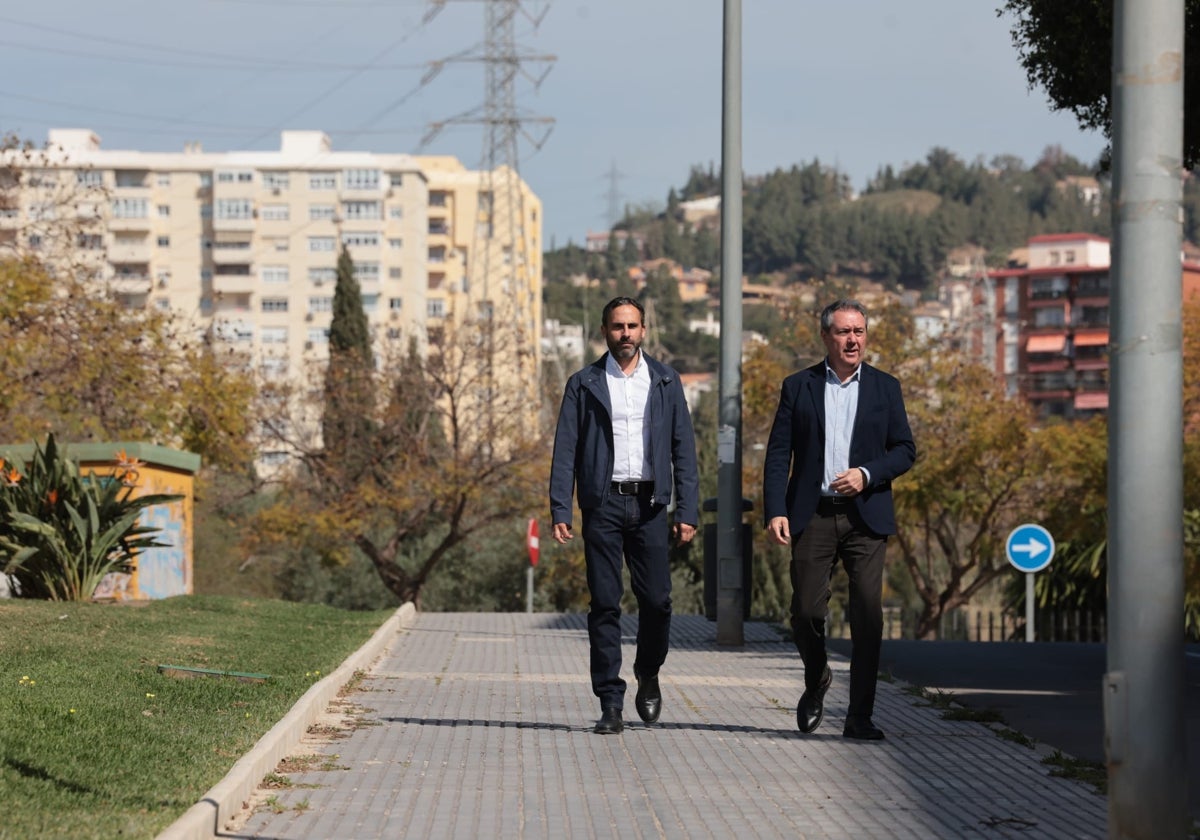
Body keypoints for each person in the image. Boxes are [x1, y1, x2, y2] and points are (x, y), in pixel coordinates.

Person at [762, 299, 916, 741]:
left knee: (868, 616)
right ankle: (817, 678)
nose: (854, 340)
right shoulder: (799, 386)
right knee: (806, 611)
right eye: (845, 332)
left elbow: (904, 450)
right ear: (826, 336)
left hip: (866, 519)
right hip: (812, 514)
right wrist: (776, 508)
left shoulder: (887, 388)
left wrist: (866, 474)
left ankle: (859, 717)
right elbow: (778, 455)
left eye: (860, 332)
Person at [550, 296, 700, 735]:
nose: (626, 334)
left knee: (657, 601)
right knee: (604, 604)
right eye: (618, 327)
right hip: (603, 505)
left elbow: (683, 451)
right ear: (605, 332)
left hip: (651, 505)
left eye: (633, 326)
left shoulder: (666, 381)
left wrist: (686, 509)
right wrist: (562, 505)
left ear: (644, 330)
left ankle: (648, 671)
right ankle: (610, 701)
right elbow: (566, 450)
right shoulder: (584, 383)